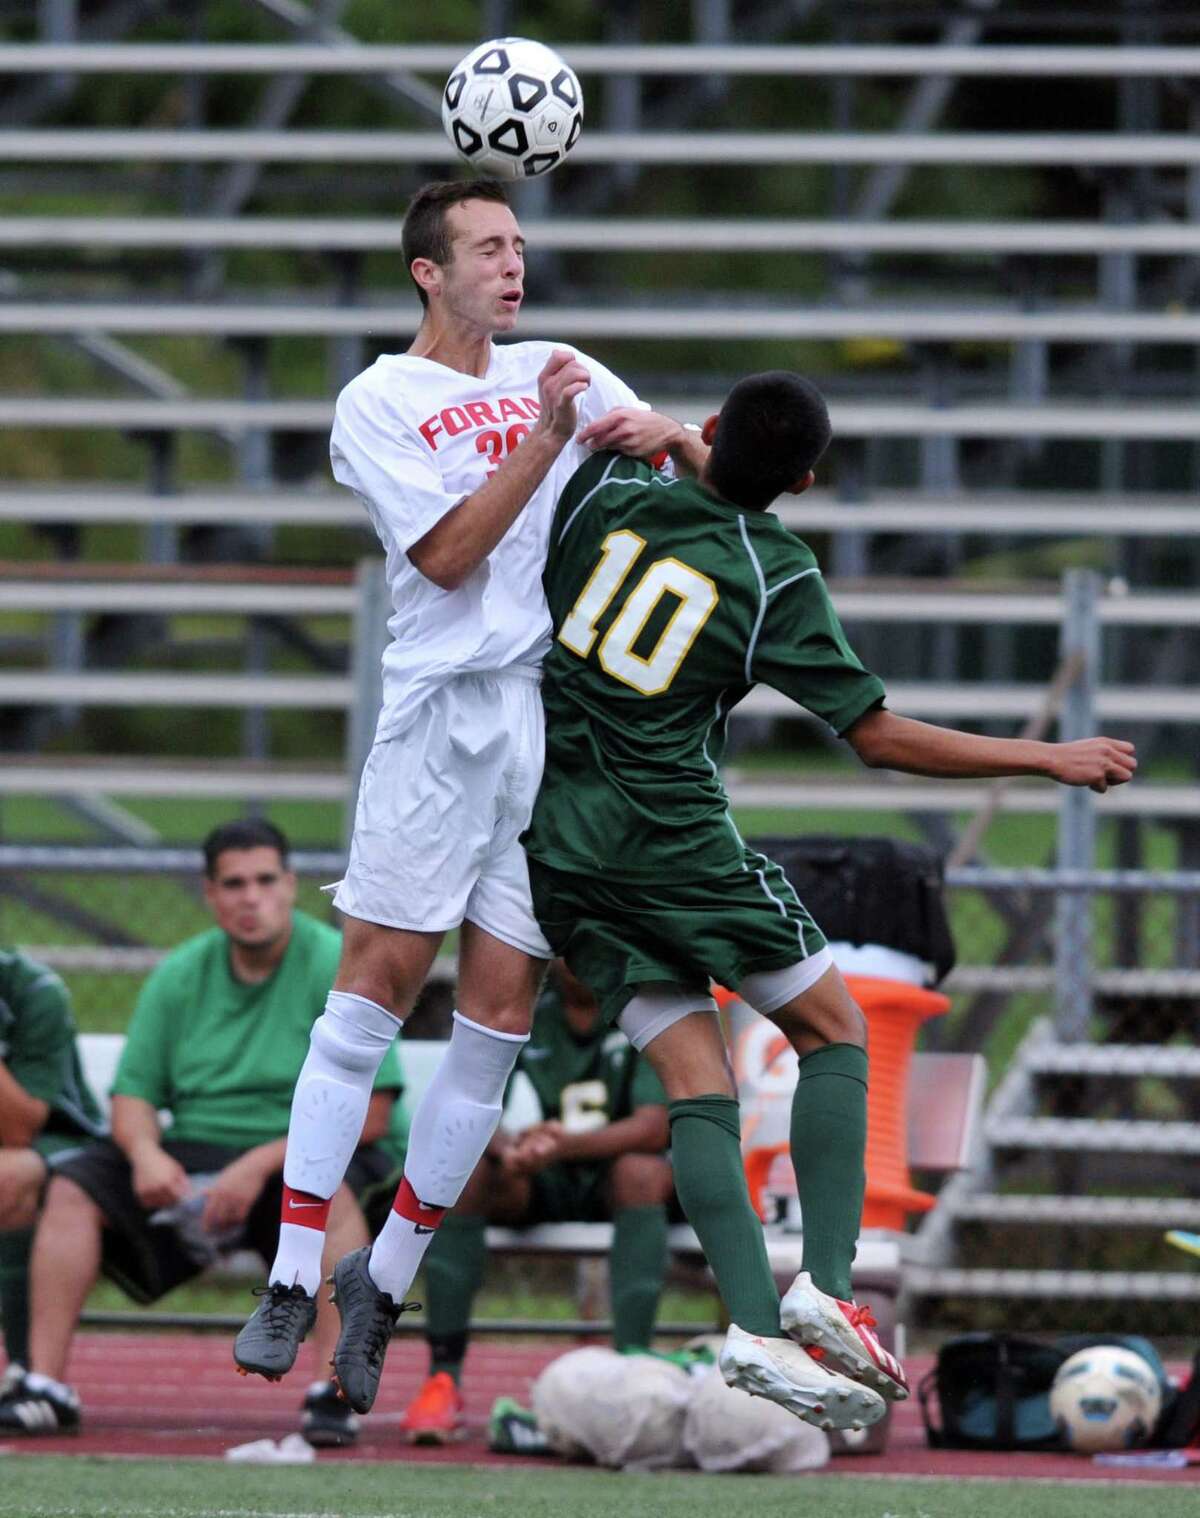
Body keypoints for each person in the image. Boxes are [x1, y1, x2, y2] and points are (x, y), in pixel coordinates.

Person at [520, 370, 1137, 1433]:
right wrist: (1048, 758)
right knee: (835, 1031)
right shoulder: (774, 572)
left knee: (695, 1081)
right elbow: (879, 736)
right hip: (674, 844)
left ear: (709, 431)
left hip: (560, 848)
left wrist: (667, 442)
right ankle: (827, 1283)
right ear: (805, 480)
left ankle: (753, 1329)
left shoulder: (611, 493)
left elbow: (666, 489)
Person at [233, 177, 702, 1414]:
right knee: (375, 994)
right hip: (441, 723)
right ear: (427, 274)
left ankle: (383, 1282)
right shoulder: (380, 400)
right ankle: (295, 1276)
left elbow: (672, 441)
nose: (514, 264)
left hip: (548, 720)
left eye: (522, 243)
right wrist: (547, 439)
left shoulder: (558, 364)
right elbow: (445, 554)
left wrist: (713, 448)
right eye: (488, 247)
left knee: (496, 1023)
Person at [0, 819, 405, 1447]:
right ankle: (44, 1386)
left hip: (308, 1147)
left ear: (293, 885)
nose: (252, 898)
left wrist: (260, 1165)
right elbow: (133, 1097)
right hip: (193, 1148)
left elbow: (375, 1112)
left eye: (266, 880)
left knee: (335, 1196)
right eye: (234, 884)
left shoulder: (338, 963)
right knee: (74, 1186)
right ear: (211, 894)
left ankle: (332, 1390)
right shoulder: (179, 974)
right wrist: (143, 1154)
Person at [399, 959, 673, 1443]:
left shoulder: (643, 1011)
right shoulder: (525, 1013)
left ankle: (632, 1369)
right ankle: (442, 1379)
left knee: (643, 1172)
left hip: (613, 1178)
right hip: (541, 1176)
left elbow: (654, 1126)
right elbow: (466, 1100)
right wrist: (509, 1148)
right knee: (467, 1174)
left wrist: (563, 1145)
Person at [0, 950, 105, 1377]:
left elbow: (18, 1130)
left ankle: (27, 1374)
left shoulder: (31, 991)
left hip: (57, 1140)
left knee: (9, 1175)